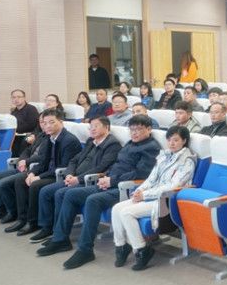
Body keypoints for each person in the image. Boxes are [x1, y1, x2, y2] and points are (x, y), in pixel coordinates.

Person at [37, 115, 160, 269]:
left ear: (149, 129)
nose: (134, 133)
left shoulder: (151, 148)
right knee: (69, 194)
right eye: (132, 129)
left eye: (139, 129)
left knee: (93, 200)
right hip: (111, 182)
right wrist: (105, 176)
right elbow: (117, 165)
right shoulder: (130, 144)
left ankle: (85, 250)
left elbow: (141, 174)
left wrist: (112, 180)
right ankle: (60, 239)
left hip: (128, 189)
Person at [112, 125, 195, 271]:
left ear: (184, 141)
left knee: (126, 213)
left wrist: (145, 195)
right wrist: (140, 190)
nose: (171, 143)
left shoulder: (187, 161)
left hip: (165, 201)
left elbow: (173, 186)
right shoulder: (164, 156)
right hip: (150, 196)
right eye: (169, 140)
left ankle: (142, 250)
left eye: (176, 140)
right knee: (116, 208)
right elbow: (151, 179)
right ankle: (122, 246)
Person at [30, 116, 122, 243]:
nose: (92, 129)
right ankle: (48, 229)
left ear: (106, 128)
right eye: (90, 127)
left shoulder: (112, 145)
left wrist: (78, 179)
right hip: (75, 177)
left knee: (60, 193)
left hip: (89, 181)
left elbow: (101, 167)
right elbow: (74, 160)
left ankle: (59, 235)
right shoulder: (91, 141)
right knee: (45, 191)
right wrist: (69, 174)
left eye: (96, 126)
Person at [2, 109, 82, 235]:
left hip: (59, 175)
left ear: (61, 122)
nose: (47, 126)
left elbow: (63, 167)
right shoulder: (50, 138)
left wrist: (39, 177)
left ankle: (34, 222)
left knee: (35, 185)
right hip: (48, 172)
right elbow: (43, 161)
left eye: (52, 122)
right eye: (45, 123)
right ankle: (23, 218)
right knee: (21, 180)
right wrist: (32, 173)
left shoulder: (69, 140)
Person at [0, 115, 48, 222]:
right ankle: (2, 208)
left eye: (47, 122)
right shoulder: (41, 135)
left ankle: (13, 212)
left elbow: (43, 157)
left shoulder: (52, 139)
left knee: (2, 184)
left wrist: (27, 161)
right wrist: (22, 160)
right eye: (41, 122)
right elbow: (27, 150)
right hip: (25, 166)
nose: (44, 125)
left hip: (35, 169)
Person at [9, 89, 39, 156]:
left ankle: (21, 159)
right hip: (17, 135)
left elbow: (31, 125)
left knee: (22, 141)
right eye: (13, 97)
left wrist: (16, 129)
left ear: (24, 98)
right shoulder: (14, 111)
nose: (16, 99)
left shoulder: (31, 109)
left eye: (19, 97)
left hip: (30, 134)